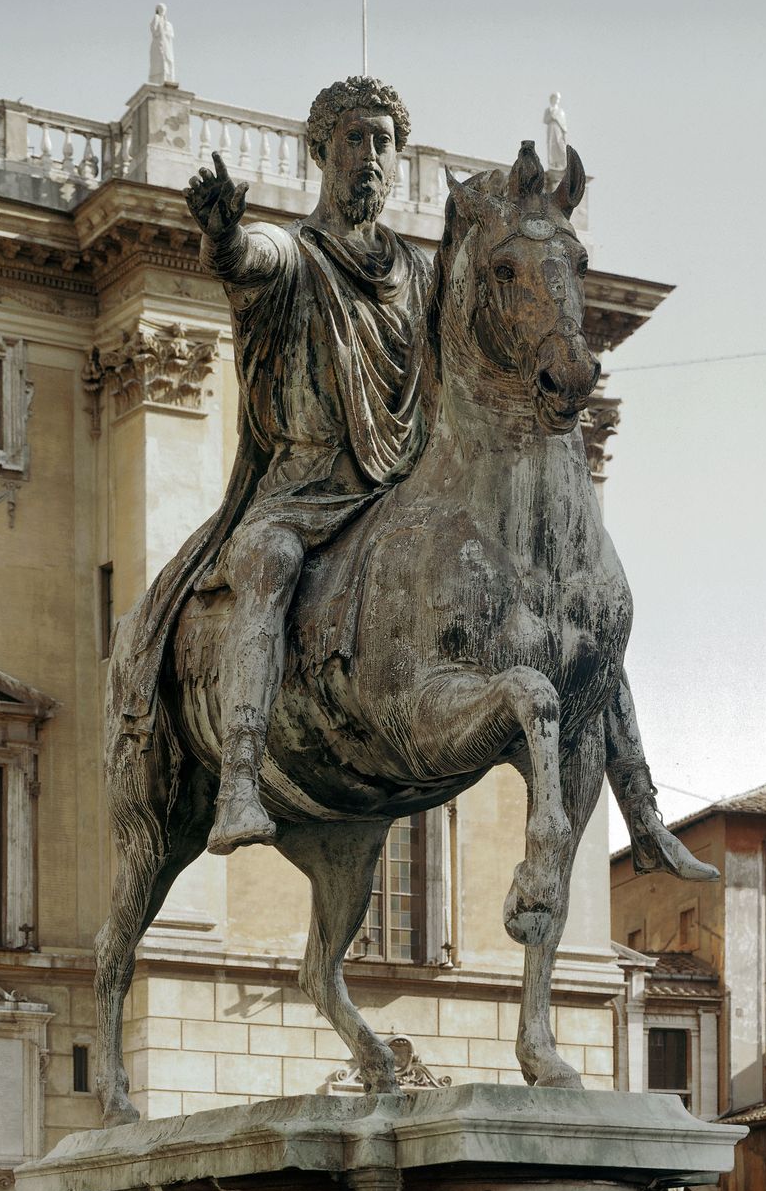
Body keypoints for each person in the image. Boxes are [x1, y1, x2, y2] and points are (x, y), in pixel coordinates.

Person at [119, 72, 716, 882]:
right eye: (354, 139)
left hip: (401, 488)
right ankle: (240, 778)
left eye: (383, 142)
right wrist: (225, 237)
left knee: (576, 604)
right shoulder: (299, 255)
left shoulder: (423, 274)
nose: (370, 156)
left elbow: (476, 355)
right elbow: (251, 259)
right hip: (305, 489)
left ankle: (641, 809)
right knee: (270, 562)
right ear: (322, 152)